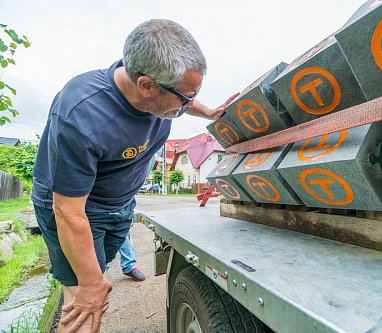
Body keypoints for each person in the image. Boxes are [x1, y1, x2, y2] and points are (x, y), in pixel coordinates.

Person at [31, 19, 237, 333]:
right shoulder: (82, 115)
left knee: (94, 273)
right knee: (86, 302)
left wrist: (208, 112)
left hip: (120, 205)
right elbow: (68, 211)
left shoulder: (165, 91)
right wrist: (89, 284)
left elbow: (187, 98)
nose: (186, 105)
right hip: (75, 211)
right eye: (183, 98)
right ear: (145, 85)